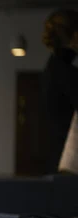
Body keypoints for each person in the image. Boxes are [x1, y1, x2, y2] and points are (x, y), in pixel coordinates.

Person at [41, 8, 78, 174]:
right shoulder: (66, 73)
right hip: (68, 167)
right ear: (74, 36)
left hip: (57, 161)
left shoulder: (52, 68)